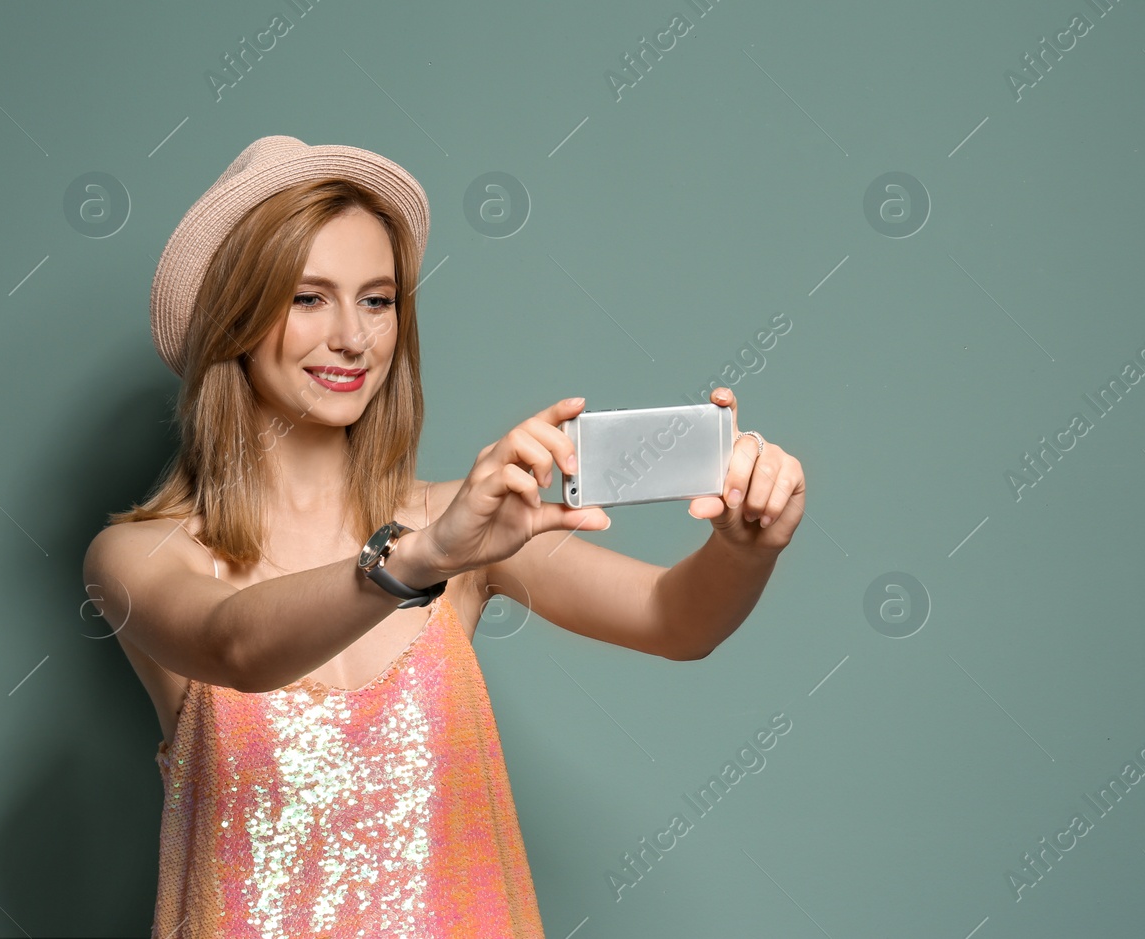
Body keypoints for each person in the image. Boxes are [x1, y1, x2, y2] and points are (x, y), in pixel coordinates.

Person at [81, 135, 807, 939]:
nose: (353, 338)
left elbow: (678, 621)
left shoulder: (465, 524)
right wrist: (420, 557)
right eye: (307, 297)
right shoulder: (141, 556)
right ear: (236, 318)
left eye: (378, 299)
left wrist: (745, 546)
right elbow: (235, 648)